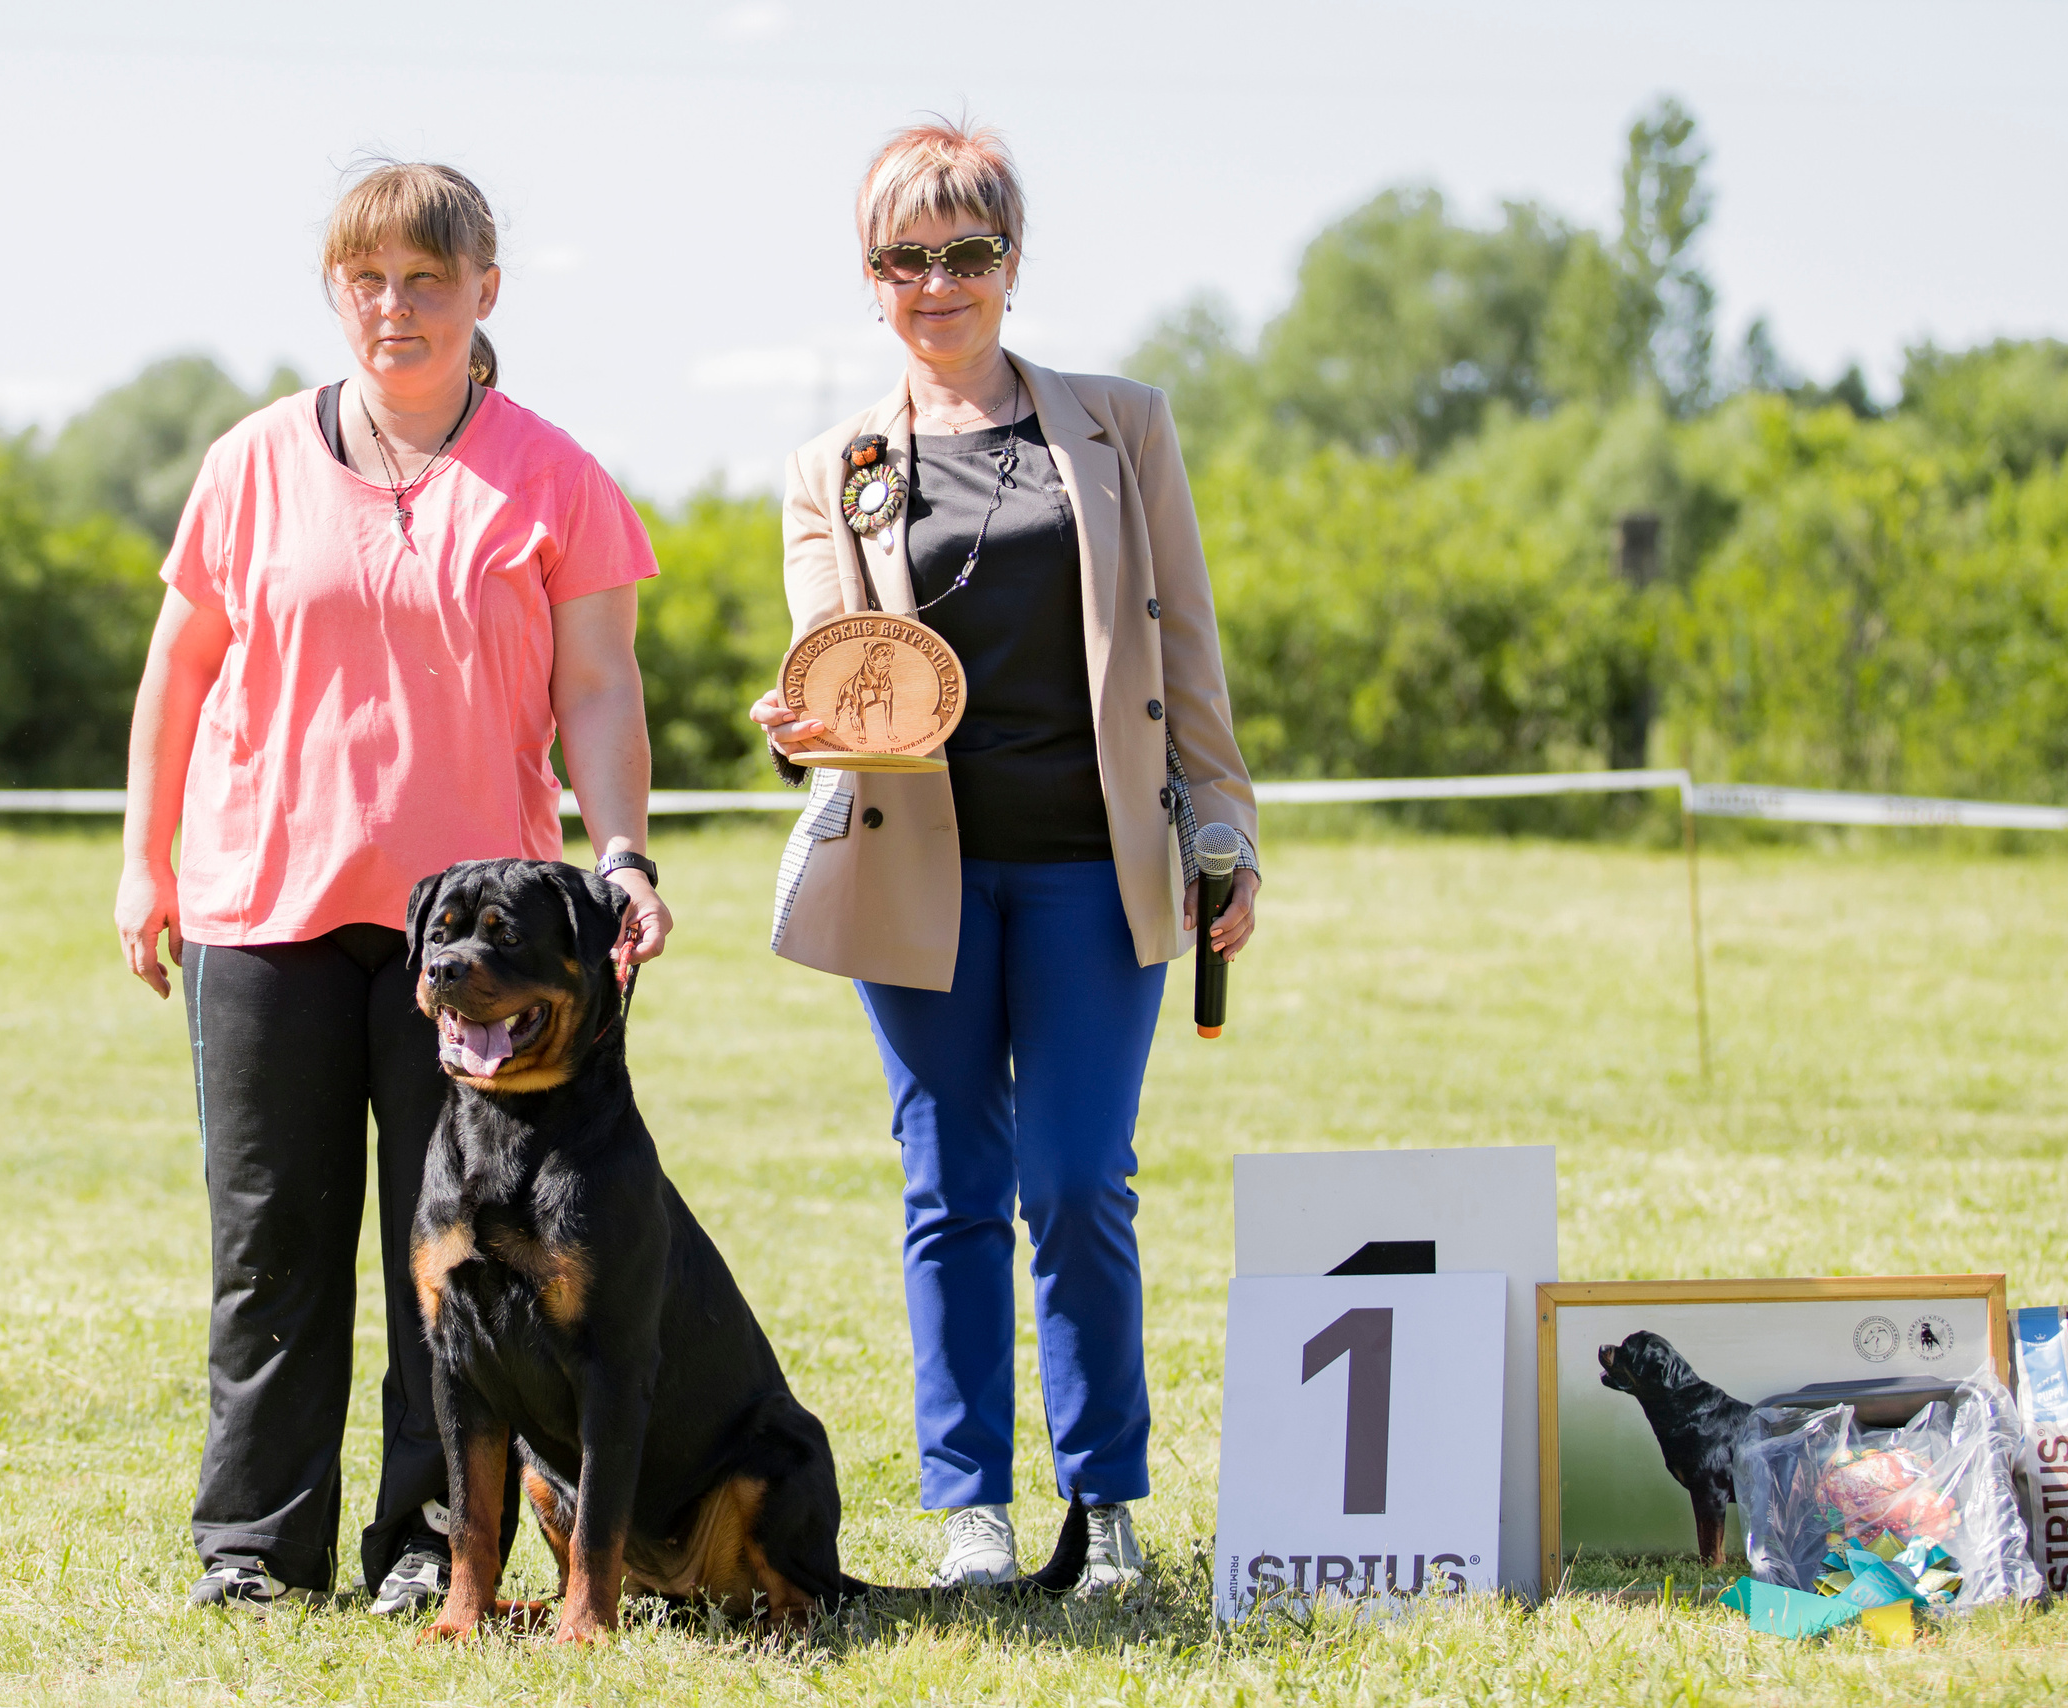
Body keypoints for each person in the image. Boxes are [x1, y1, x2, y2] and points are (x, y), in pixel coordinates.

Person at [113, 161, 671, 1613]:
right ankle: (253, 1552)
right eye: (369, 277)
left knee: (464, 1275)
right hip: (265, 911)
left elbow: (602, 691)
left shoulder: (556, 476)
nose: (397, 305)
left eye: (430, 278)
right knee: (270, 1252)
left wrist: (622, 857)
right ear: (335, 291)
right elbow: (179, 668)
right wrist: (144, 860)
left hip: (477, 948)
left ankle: (425, 1548)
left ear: (485, 292)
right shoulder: (247, 463)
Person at [750, 121, 1260, 1594]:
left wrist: (1222, 831)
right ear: (873, 277)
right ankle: (971, 1509)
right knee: (950, 1184)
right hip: (920, 875)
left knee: (1081, 1179)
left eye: (968, 252)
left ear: (1012, 264)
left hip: (1099, 876)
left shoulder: (1122, 425)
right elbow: (834, 677)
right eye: (906, 258)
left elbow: (1187, 651)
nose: (939, 281)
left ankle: (1103, 1507)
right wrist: (796, 731)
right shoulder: (833, 469)